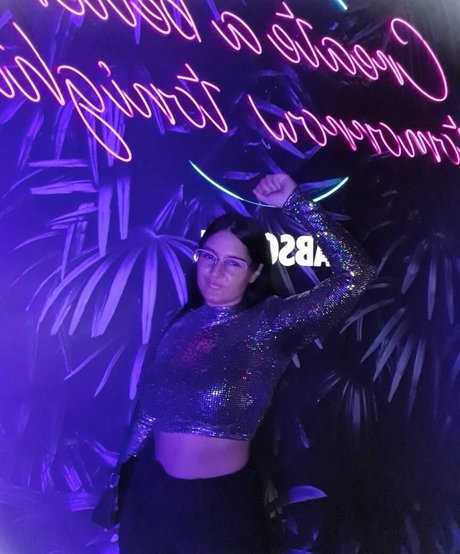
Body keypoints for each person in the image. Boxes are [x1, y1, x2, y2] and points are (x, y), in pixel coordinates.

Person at [116, 173, 375, 553]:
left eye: (234, 263)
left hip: (219, 510)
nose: (215, 272)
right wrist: (120, 481)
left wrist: (295, 203)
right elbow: (149, 412)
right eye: (209, 257)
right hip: (149, 498)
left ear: (255, 273)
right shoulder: (179, 322)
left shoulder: (270, 324)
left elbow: (355, 275)